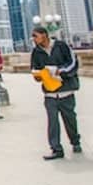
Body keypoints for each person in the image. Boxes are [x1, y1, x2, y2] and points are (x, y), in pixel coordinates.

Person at [30, 25, 81, 160]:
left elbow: (73, 63)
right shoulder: (36, 52)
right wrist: (37, 75)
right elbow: (34, 68)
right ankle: (56, 149)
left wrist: (60, 71)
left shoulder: (61, 46)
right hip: (49, 93)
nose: (34, 39)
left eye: (35, 36)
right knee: (52, 122)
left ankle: (75, 142)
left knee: (70, 119)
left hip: (66, 91)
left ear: (44, 35)